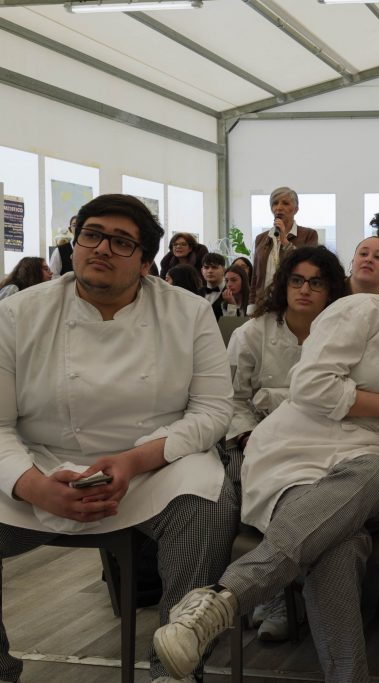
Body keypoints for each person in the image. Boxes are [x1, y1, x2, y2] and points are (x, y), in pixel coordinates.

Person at [153, 241, 379, 683]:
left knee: (367, 475)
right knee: (336, 543)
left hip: (372, 459)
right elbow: (310, 386)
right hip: (295, 450)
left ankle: (224, 598)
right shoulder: (363, 311)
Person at [0, 194, 237, 683]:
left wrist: (133, 461)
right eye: (91, 234)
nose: (102, 248)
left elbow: (213, 411)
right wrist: (32, 485)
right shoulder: (18, 314)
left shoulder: (188, 313)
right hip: (42, 462)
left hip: (155, 465)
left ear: (147, 263)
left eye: (121, 242)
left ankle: (174, 671)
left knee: (209, 506)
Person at [224, 245, 349, 641]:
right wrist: (247, 434)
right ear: (283, 285)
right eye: (297, 280)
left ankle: (304, 588)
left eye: (316, 282)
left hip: (323, 439)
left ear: (331, 290)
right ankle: (274, 592)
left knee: (319, 494)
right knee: (253, 482)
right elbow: (232, 399)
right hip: (257, 436)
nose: (305, 290)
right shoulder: (251, 334)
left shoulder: (344, 333)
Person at [251, 187, 319, 295]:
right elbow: (255, 277)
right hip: (263, 301)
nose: (279, 207)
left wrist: (285, 241)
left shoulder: (309, 235)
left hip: (291, 299)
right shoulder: (261, 238)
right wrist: (252, 302)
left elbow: (308, 266)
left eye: (285, 203)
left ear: (296, 210)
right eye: (275, 203)